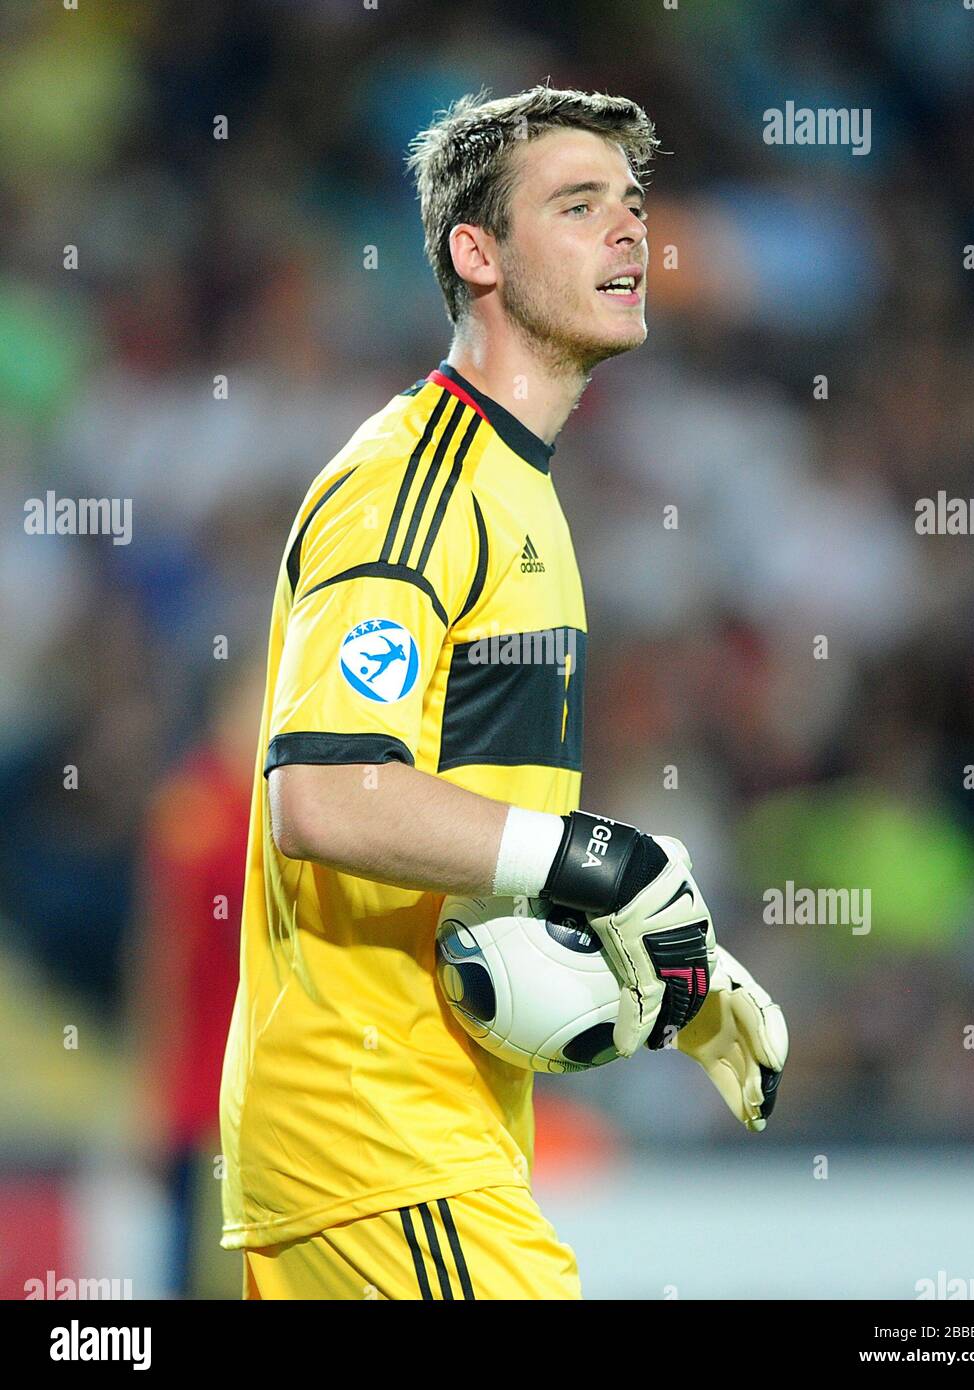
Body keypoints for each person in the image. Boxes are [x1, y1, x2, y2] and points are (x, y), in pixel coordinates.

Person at [219, 84, 785, 1302]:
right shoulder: (410, 483)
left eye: (632, 204)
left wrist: (669, 964)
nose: (629, 231)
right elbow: (324, 795)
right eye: (578, 206)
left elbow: (475, 834)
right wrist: (607, 861)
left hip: (424, 1148)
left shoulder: (517, 486)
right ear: (477, 254)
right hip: (378, 1140)